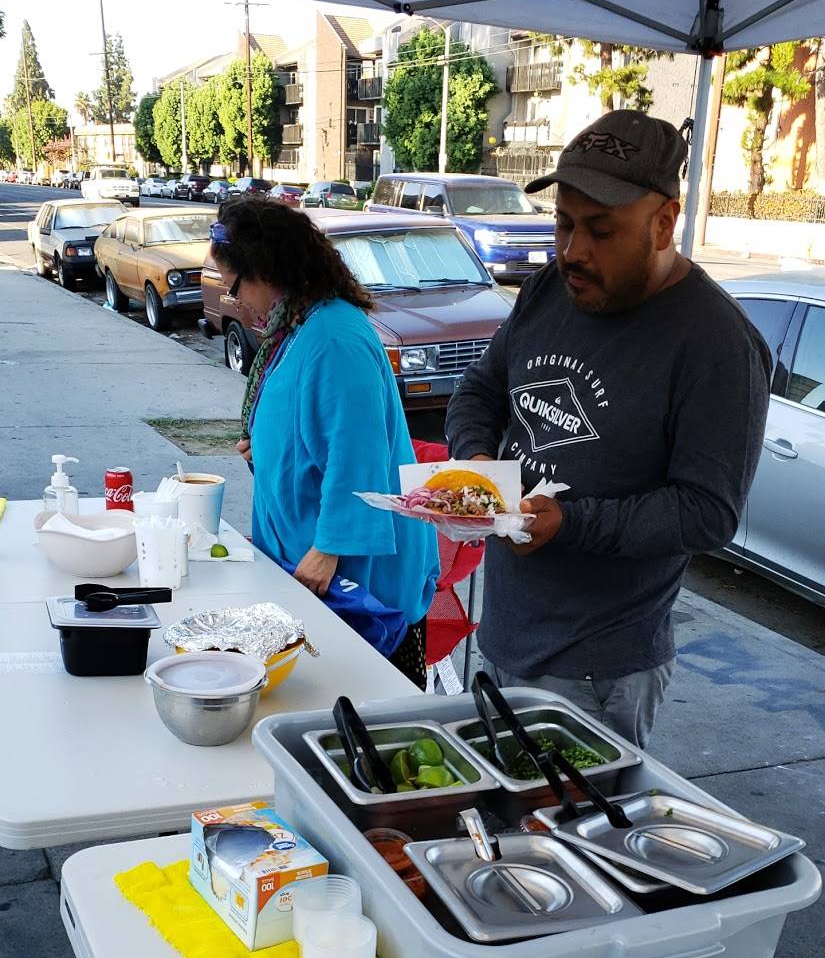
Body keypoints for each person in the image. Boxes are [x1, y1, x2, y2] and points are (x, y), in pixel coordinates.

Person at [445, 110, 771, 747]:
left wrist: (571, 523)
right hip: (505, 631)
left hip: (599, 669)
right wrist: (480, 465)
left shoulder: (717, 343)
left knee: (570, 842)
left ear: (663, 223)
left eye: (600, 230)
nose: (573, 251)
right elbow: (479, 391)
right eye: (564, 224)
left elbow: (708, 511)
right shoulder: (545, 292)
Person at [209, 198, 439, 688]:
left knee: (365, 706)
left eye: (235, 285)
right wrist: (266, 453)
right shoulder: (297, 326)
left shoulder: (335, 336)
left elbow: (359, 454)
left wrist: (329, 548)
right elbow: (307, 424)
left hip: (352, 573)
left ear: (267, 270)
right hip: (311, 555)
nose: (236, 300)